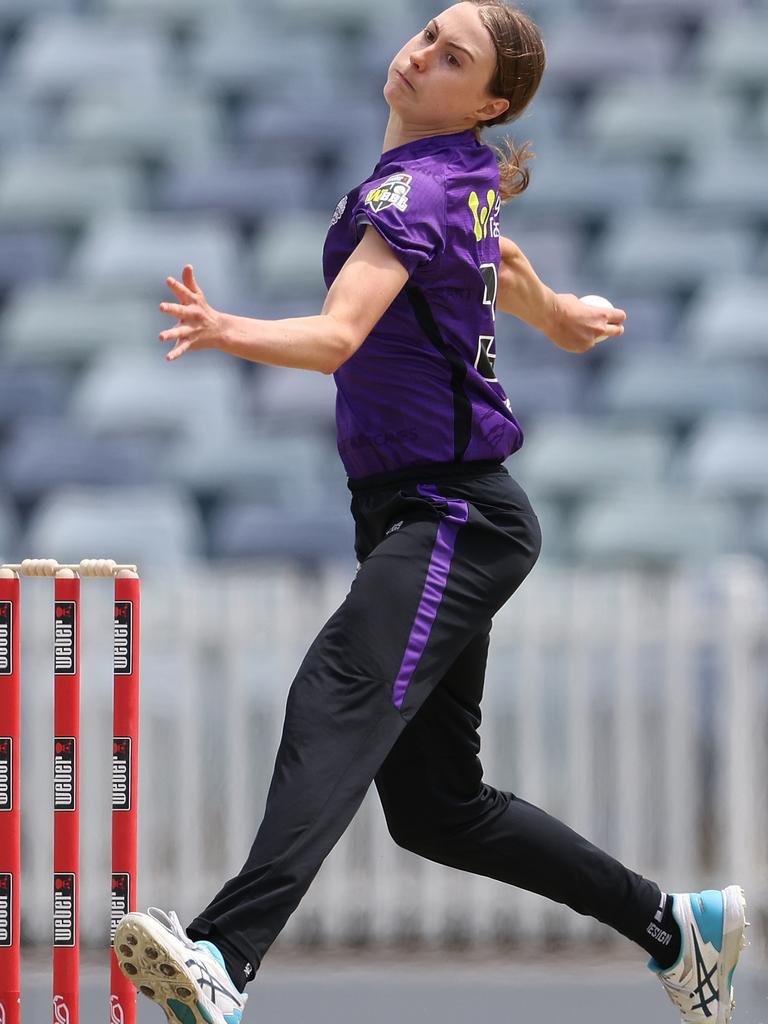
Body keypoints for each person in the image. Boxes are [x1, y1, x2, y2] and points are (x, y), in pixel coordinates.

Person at [114, 4, 747, 1023]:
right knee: (439, 810)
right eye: (427, 33)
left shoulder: (413, 189)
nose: (418, 53)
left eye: (451, 57)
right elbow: (494, 258)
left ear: (490, 103)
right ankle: (676, 925)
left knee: (337, 688)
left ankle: (226, 955)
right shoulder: (453, 182)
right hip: (435, 509)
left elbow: (338, 338)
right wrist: (560, 311)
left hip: (452, 511)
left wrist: (225, 326)